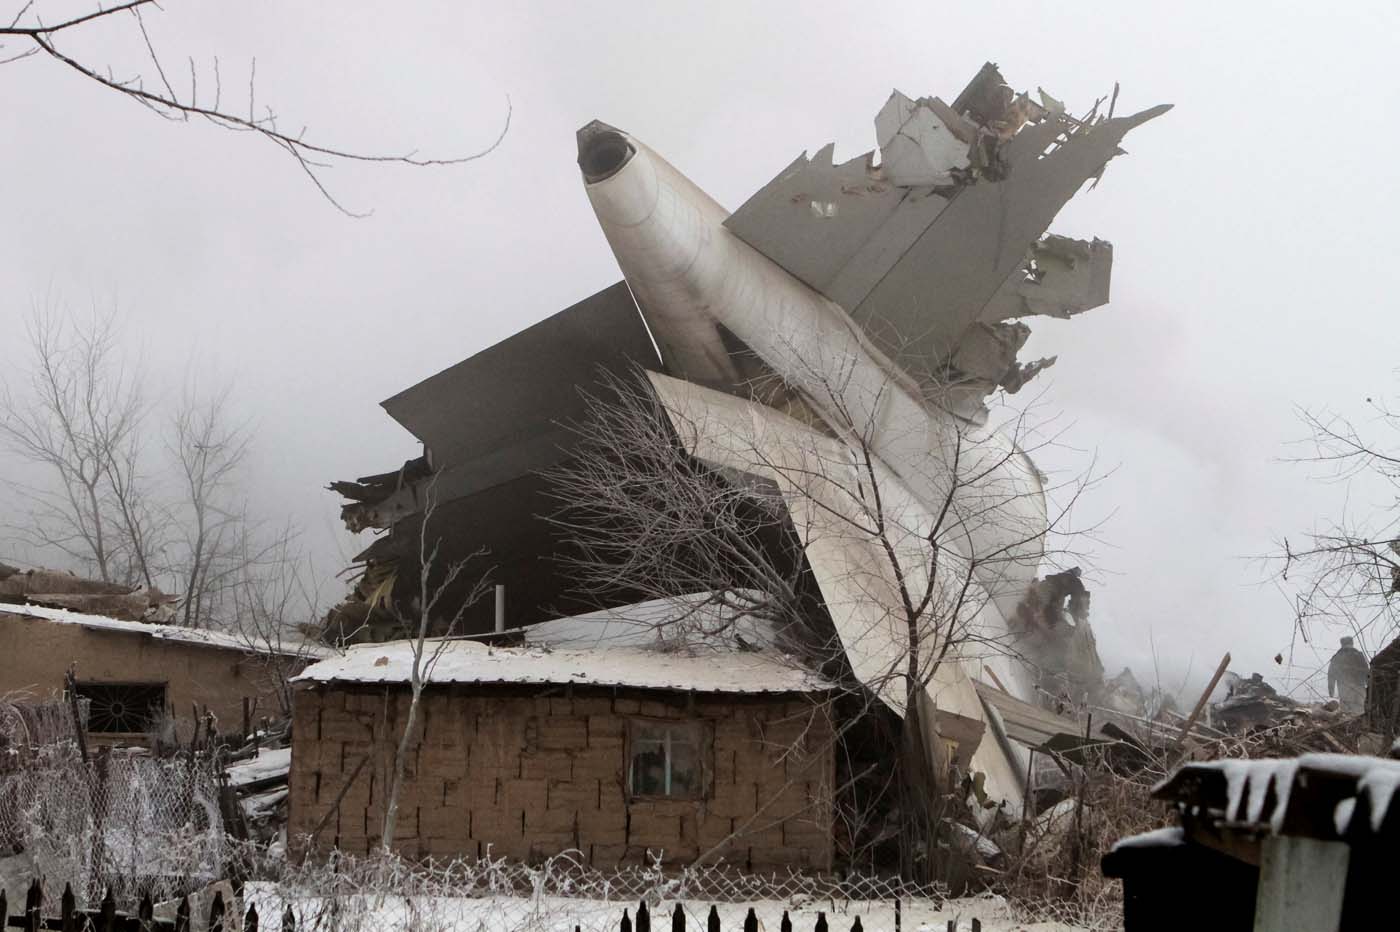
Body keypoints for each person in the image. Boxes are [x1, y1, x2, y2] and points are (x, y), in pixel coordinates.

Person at [1328, 636, 1370, 715]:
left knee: (1346, 713)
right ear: (1352, 643)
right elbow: (1366, 671)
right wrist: (1369, 685)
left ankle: (1350, 726)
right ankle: (1360, 726)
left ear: (1342, 644)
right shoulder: (1359, 655)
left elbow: (1331, 674)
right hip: (1360, 687)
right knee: (1360, 711)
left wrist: (1331, 690)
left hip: (1344, 687)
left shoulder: (1337, 656)